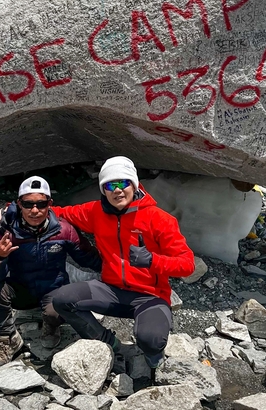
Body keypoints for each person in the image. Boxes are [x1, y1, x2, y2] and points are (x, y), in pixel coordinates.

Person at [50, 156, 195, 376]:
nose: (117, 190)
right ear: (103, 190)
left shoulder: (159, 219)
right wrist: (13, 208)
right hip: (111, 290)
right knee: (62, 299)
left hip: (150, 296)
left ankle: (153, 359)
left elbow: (187, 265)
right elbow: (60, 212)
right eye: (110, 185)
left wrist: (152, 261)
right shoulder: (96, 212)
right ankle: (110, 344)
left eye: (123, 183)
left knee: (152, 339)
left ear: (134, 185)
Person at [0, 176, 101, 368]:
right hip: (22, 290)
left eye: (41, 203)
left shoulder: (64, 231)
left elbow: (89, 258)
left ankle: (51, 326)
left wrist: (119, 272)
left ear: (50, 204)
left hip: (53, 290)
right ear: (19, 204)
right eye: (28, 204)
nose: (35, 210)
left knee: (59, 307)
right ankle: (8, 340)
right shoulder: (6, 232)